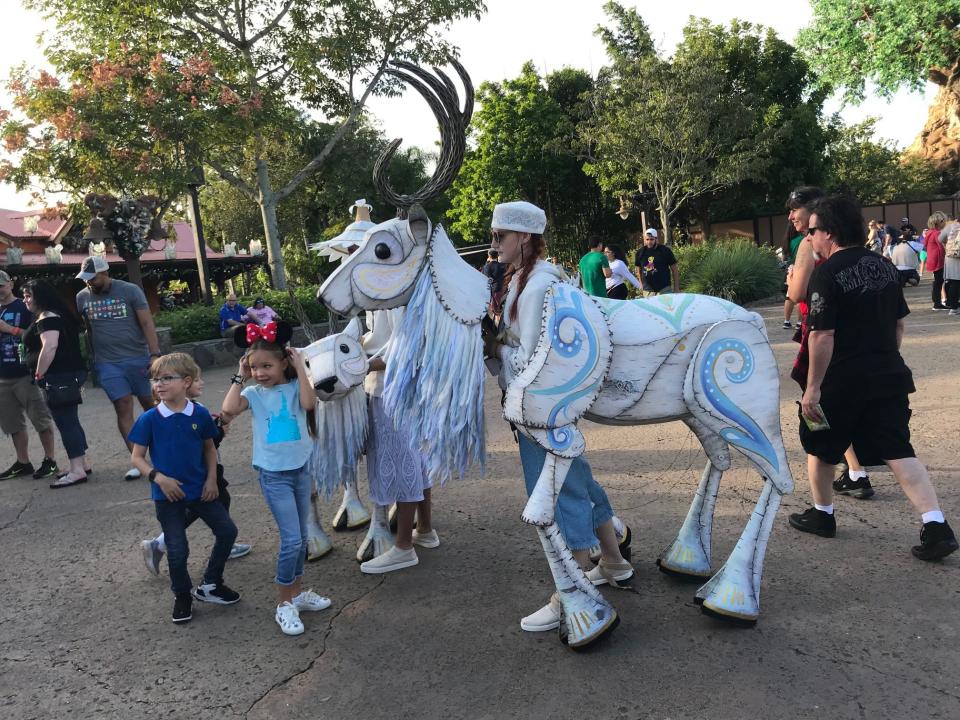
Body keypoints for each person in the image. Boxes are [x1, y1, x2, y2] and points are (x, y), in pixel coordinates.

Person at [486, 200, 634, 633]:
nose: (494, 245)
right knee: (580, 478)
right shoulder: (530, 280)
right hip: (549, 409)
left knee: (557, 490)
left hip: (541, 410)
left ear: (524, 238)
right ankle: (613, 560)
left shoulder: (535, 288)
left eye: (500, 236)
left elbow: (535, 362)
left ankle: (573, 591)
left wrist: (495, 347)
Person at [790, 195, 957, 561]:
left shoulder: (827, 272)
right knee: (899, 448)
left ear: (828, 233)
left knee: (819, 444)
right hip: (888, 374)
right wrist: (884, 357)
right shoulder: (883, 265)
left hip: (842, 378)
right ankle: (936, 524)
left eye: (813, 231)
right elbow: (899, 323)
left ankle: (822, 514)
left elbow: (821, 335)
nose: (811, 238)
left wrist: (813, 388)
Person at [221, 321, 332, 636]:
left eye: (266, 366)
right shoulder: (254, 393)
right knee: (292, 540)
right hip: (274, 475)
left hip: (300, 470)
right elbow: (228, 410)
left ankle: (296, 595)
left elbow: (310, 404)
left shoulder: (297, 387)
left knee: (299, 541)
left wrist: (300, 367)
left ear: (284, 362)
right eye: (254, 367)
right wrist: (239, 376)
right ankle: (284, 604)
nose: (260, 373)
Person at [128, 353, 242, 624]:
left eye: (167, 378)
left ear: (186, 382)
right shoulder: (149, 419)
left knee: (227, 531)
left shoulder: (200, 413)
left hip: (201, 490)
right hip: (167, 496)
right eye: (156, 379)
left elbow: (209, 448)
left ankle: (211, 583)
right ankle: (182, 595)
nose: (159, 384)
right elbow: (136, 458)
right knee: (177, 549)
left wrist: (212, 479)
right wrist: (159, 478)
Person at [784, 186, 873, 499]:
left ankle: (830, 488)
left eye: (796, 208)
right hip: (832, 325)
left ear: (814, 210)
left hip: (820, 326)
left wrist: (792, 278)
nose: (792, 216)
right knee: (834, 403)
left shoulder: (807, 244)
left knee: (819, 402)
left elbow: (796, 293)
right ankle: (856, 470)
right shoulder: (834, 242)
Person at [140, 367, 252, 575]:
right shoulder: (170, 413)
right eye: (197, 380)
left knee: (218, 504)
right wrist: (221, 429)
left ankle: (223, 542)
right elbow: (204, 444)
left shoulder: (195, 408)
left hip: (207, 472)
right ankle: (161, 543)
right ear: (185, 383)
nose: (202, 383)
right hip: (198, 473)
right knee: (207, 505)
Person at [357, 308, 439, 574]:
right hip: (403, 387)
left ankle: (403, 546)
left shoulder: (390, 293)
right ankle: (424, 529)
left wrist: (362, 364)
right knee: (416, 459)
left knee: (404, 462)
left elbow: (407, 349)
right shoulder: (384, 290)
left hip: (393, 389)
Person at [75, 256, 161, 480]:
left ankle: (164, 455)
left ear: (105, 273)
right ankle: (138, 460)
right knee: (123, 407)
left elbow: (146, 323)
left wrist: (154, 354)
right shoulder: (81, 297)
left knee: (150, 405)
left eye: (93, 278)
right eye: (86, 279)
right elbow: (89, 330)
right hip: (108, 363)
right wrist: (94, 360)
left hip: (138, 358)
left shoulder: (130, 291)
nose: (89, 283)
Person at [20, 280, 91, 488]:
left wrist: (40, 373)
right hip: (68, 374)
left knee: (65, 422)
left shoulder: (47, 317)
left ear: (41, 296)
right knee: (71, 420)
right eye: (24, 295)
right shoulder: (58, 313)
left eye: (28, 295)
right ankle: (82, 463)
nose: (25, 300)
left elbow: (50, 347)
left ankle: (77, 469)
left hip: (58, 376)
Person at [0, 270, 58, 481]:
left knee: (40, 418)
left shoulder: (24, 306)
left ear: (11, 284)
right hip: (2, 376)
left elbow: (35, 335)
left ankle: (50, 460)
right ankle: (22, 462)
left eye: (2, 285)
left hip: (25, 372)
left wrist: (9, 329)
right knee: (12, 423)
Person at [634, 228, 678, 296]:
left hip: (664, 289)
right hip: (648, 290)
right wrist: (641, 285)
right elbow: (638, 270)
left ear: (656, 239)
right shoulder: (640, 252)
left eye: (651, 239)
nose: (649, 242)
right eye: (647, 239)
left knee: (666, 307)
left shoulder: (665, 251)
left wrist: (676, 288)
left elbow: (674, 269)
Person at [924, 212, 947, 310]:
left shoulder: (929, 232)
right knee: (939, 281)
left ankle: (936, 302)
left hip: (931, 259)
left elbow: (925, 245)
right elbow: (941, 247)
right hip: (938, 259)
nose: (944, 223)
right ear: (937, 223)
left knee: (937, 281)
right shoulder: (937, 233)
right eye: (942, 221)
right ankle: (937, 303)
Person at [942, 218, 960, 315]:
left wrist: (947, 248)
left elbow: (940, 239)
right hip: (957, 258)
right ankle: (954, 307)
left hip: (950, 256)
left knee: (952, 282)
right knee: (956, 283)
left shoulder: (950, 228)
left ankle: (951, 305)